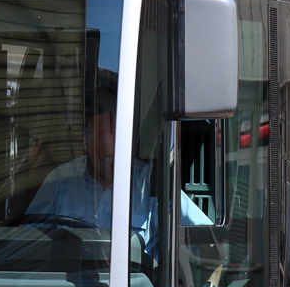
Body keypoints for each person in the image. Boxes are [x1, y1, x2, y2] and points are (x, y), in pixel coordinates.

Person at [25, 85, 212, 259]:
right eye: (104, 158)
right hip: (71, 284)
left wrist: (209, 285)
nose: (111, 165)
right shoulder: (60, 180)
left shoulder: (149, 180)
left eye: (118, 156)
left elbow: (205, 235)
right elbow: (27, 237)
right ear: (87, 145)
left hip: (134, 286)